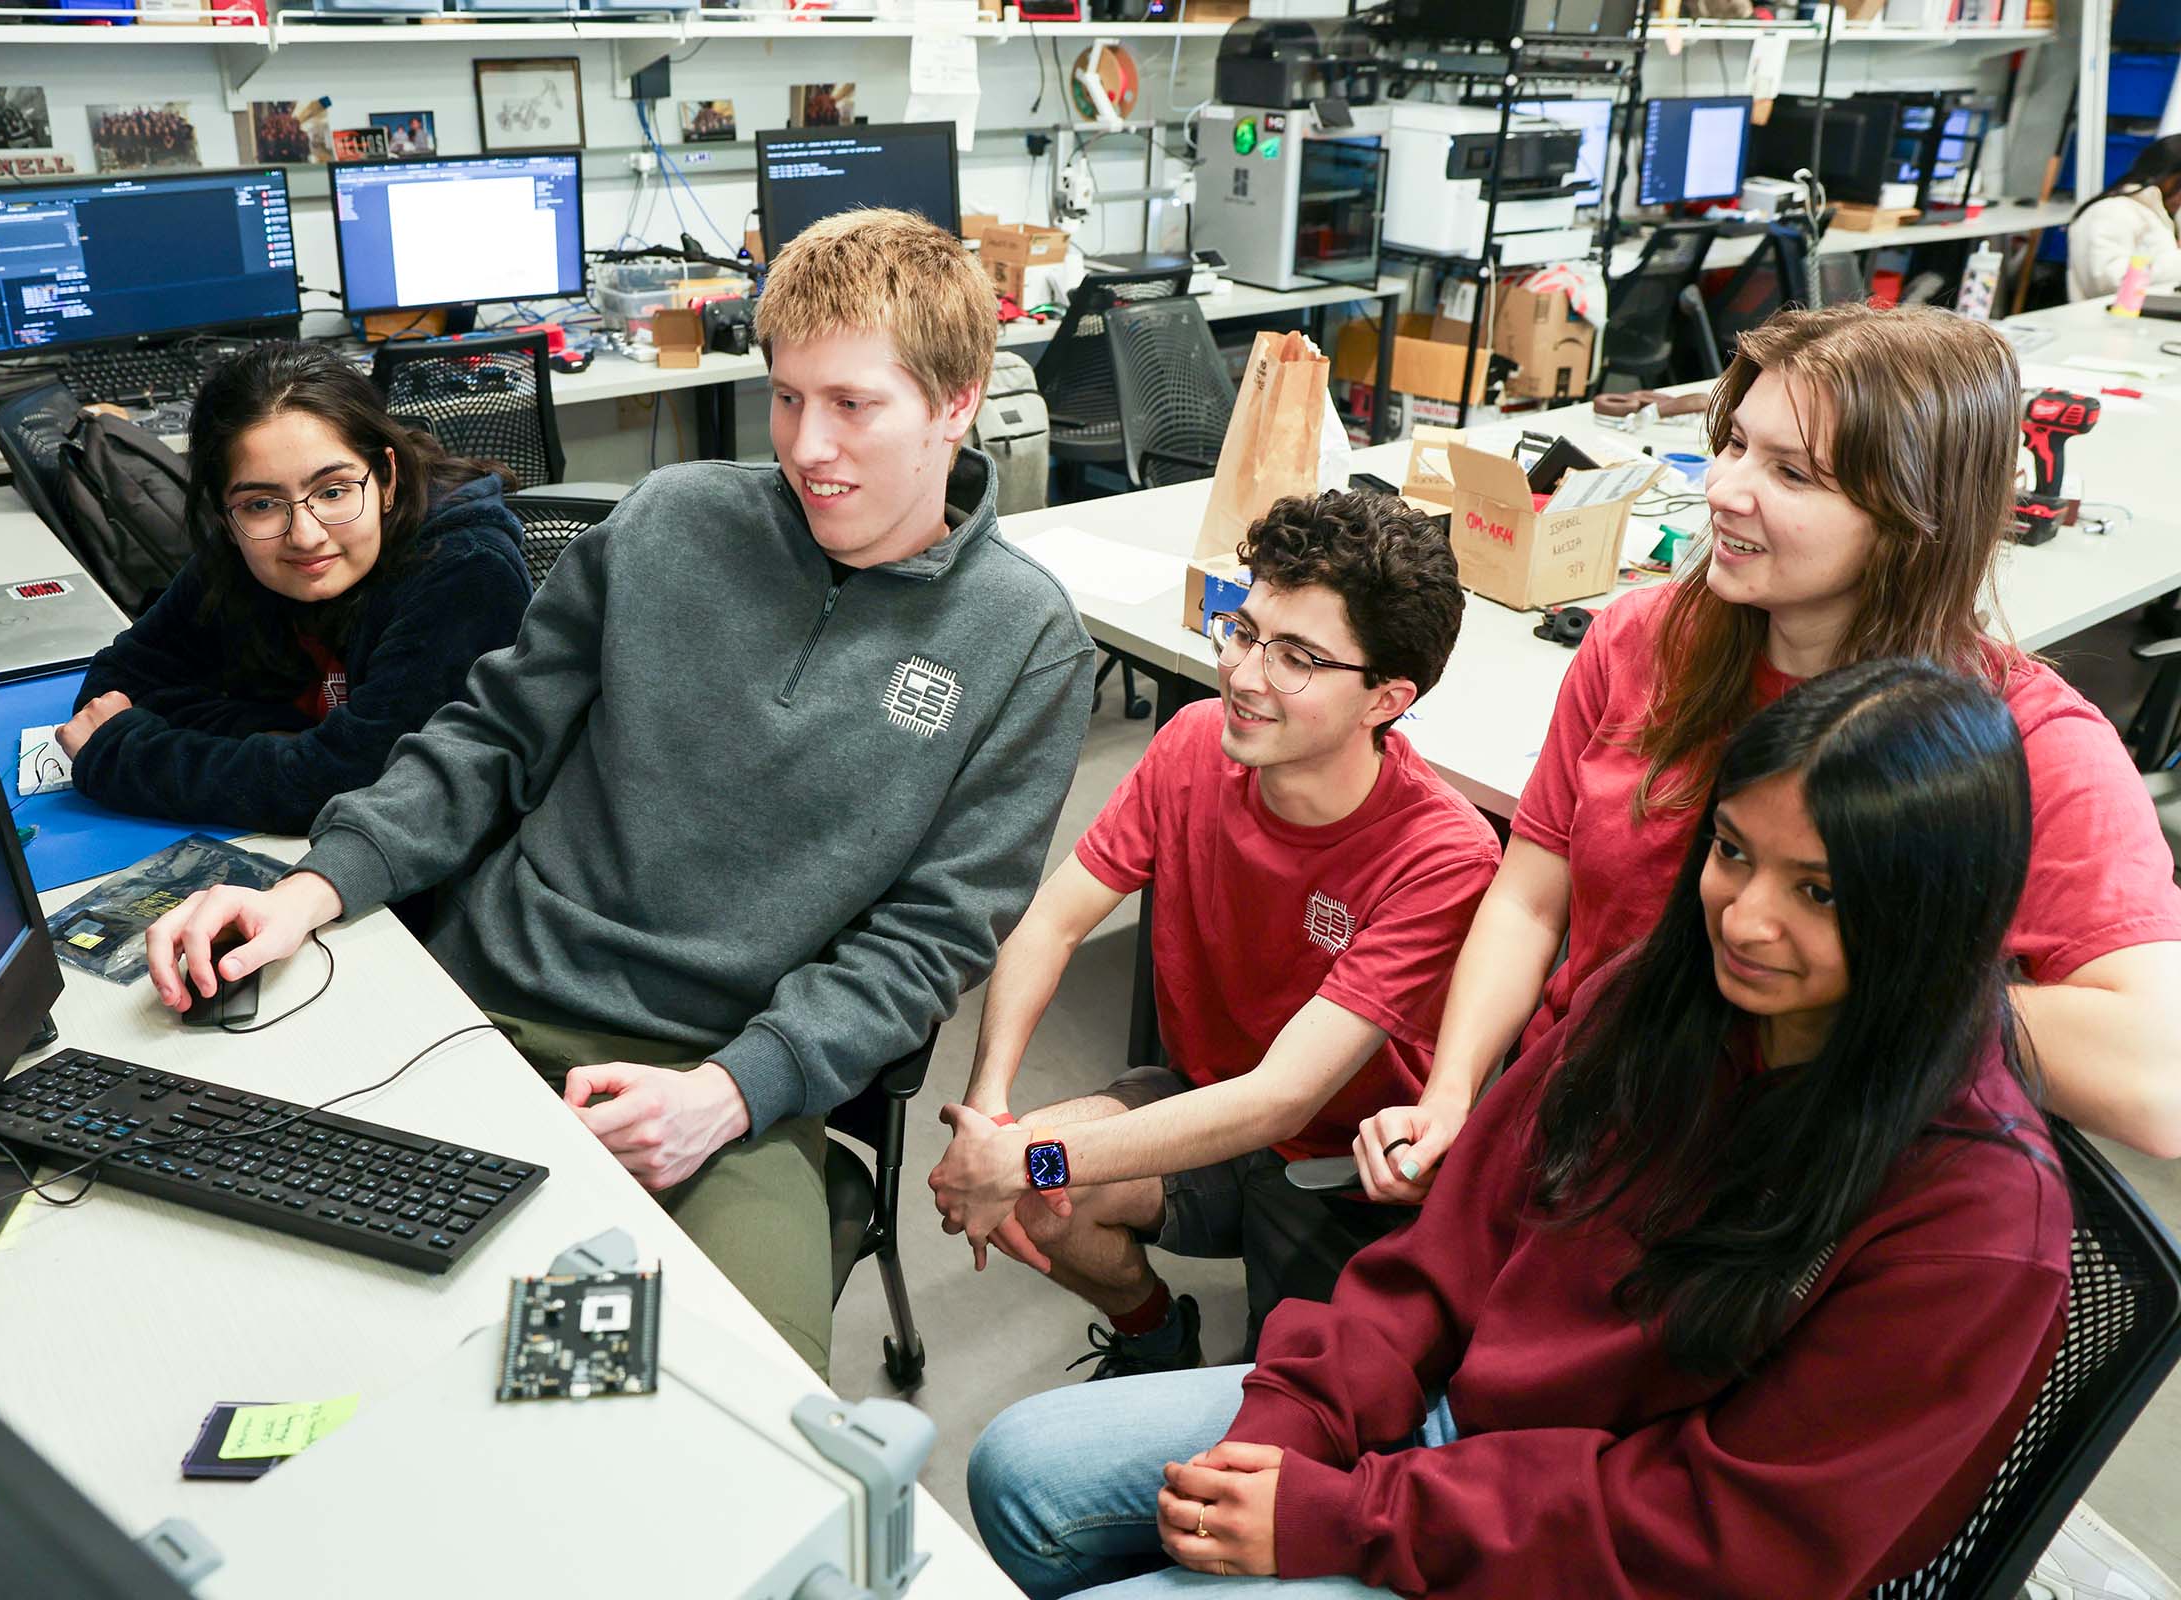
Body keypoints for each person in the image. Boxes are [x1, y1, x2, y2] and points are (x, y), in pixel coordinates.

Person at [136, 208, 1097, 1378]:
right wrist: (313, 886)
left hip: (723, 1072)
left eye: (854, 405)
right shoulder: (670, 522)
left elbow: (933, 937)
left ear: (957, 401)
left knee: (736, 1406)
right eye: (788, 398)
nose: (807, 447)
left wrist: (734, 1093)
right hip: (485, 1001)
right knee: (285, 1307)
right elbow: (488, 736)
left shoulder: (1026, 640)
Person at [968, 659, 2072, 1599]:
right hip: (1462, 1430)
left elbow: (1720, 1532)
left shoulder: (1975, 1217)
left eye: (1820, 893)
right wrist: (1296, 1421)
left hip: (1601, 1549)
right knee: (1021, 1469)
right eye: (1733, 852)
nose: (1744, 918)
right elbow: (1451, 1249)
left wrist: (1358, 1515)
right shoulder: (1662, 993)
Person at [1361, 302, 2181, 1222]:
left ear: (1918, 519)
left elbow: (2158, 1082)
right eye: (1736, 444)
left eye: (1790, 472)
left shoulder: (2032, 745)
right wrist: (1455, 1093)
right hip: (1578, 1137)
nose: (1724, 490)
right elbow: (1530, 896)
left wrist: (1866, 980)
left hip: (1777, 1202)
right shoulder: (1641, 641)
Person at [927, 489, 1500, 1378]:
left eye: (1299, 658)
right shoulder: (1193, 743)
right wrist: (996, 1108)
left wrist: (1019, 1156)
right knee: (1042, 1192)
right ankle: (1153, 1333)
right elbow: (1052, 920)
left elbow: (1283, 1100)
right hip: (1202, 1099)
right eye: (1244, 628)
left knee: (1291, 1414)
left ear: (1387, 699)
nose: (1244, 674)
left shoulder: (1442, 853)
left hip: (1341, 1167)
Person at [54, 343, 531, 837]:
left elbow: (365, 785)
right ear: (225, 513)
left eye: (333, 491)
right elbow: (116, 683)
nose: (304, 535)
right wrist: (280, 739)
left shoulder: (467, 571)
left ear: (386, 478)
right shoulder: (241, 546)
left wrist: (125, 755)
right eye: (262, 503)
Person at [2065, 133, 2181, 302]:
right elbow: (2106, 281)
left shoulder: (2159, 214)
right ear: (2163, 172)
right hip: (2106, 325)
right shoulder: (2111, 211)